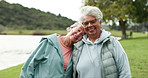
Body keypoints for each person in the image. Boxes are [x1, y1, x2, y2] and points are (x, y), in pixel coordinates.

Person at [72, 6, 131, 78]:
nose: (90, 25)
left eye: (93, 21)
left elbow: (125, 73)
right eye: (86, 23)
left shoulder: (113, 43)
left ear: (100, 22)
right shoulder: (78, 46)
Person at [20, 22, 84, 78]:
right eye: (78, 30)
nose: (78, 34)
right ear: (71, 28)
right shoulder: (48, 42)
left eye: (82, 34)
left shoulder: (76, 51)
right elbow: (29, 65)